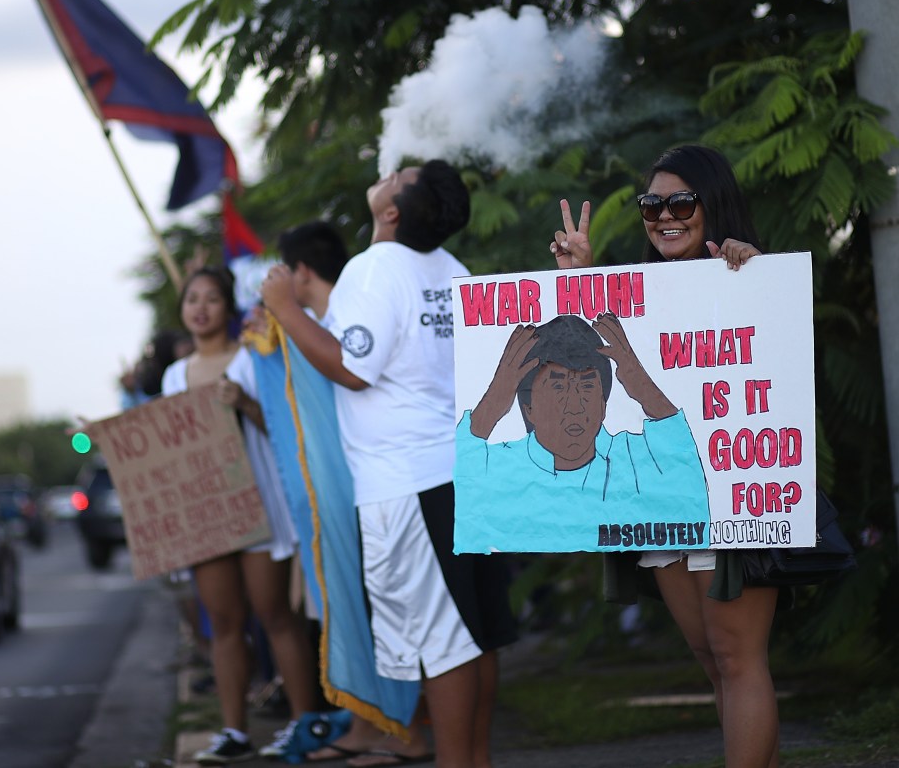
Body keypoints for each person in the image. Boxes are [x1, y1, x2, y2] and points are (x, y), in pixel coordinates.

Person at [262, 161, 517, 768]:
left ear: (393, 210)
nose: (388, 167)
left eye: (398, 173)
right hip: (462, 470)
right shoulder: (450, 269)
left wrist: (284, 308)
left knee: (445, 644)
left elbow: (353, 368)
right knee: (476, 635)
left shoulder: (374, 268)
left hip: (408, 483)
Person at [550, 144, 779, 768]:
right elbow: (595, 363)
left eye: (682, 202)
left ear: (715, 205)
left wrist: (751, 273)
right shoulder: (639, 291)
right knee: (711, 657)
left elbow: (777, 353)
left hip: (730, 493)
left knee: (736, 658)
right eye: (654, 205)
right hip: (660, 498)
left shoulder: (748, 272)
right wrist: (580, 277)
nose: (665, 216)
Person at [162, 266, 319, 765]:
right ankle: (234, 730)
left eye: (211, 299)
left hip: (258, 506)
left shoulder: (251, 359)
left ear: (227, 309)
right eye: (192, 300)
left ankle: (303, 721)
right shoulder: (173, 376)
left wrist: (246, 403)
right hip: (208, 514)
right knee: (224, 623)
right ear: (183, 311)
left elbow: (281, 422)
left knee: (275, 615)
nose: (201, 308)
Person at [455, 313, 709, 553]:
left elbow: (692, 494)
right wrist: (494, 401)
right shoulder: (500, 467)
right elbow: (464, 496)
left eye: (587, 387)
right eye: (558, 387)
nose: (575, 407)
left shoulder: (634, 458)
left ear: (603, 404)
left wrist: (640, 383)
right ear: (528, 407)